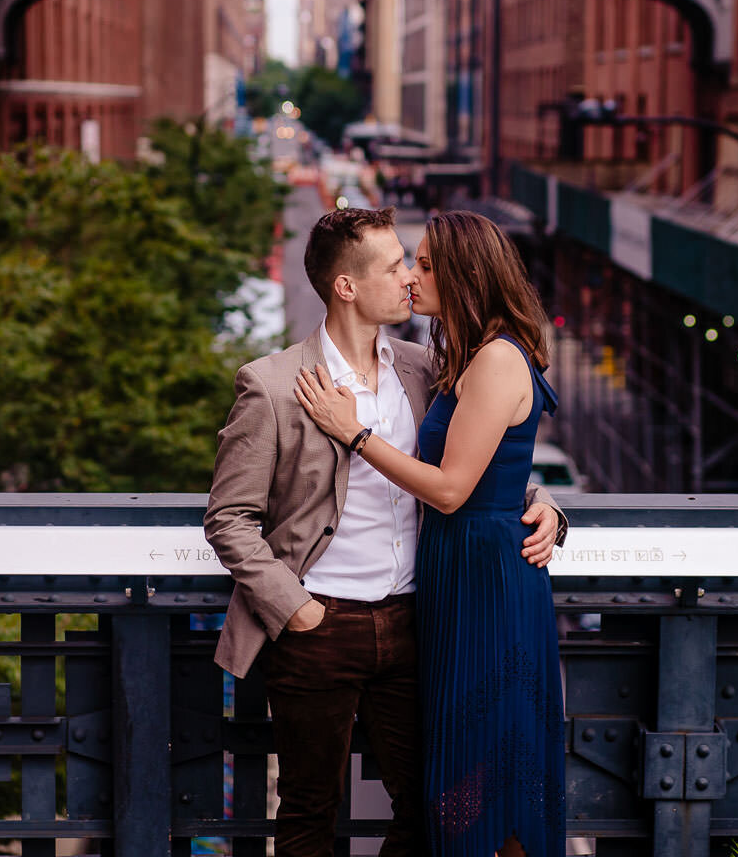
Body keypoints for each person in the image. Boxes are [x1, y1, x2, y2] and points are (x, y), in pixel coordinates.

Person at [203, 206, 566, 857]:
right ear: (347, 286)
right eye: (397, 265)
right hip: (319, 625)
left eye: (415, 264)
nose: (408, 278)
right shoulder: (275, 384)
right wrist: (296, 610)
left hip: (416, 623)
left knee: (430, 806)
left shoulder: (427, 369)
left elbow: (471, 469)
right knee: (309, 811)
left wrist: (548, 506)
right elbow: (228, 517)